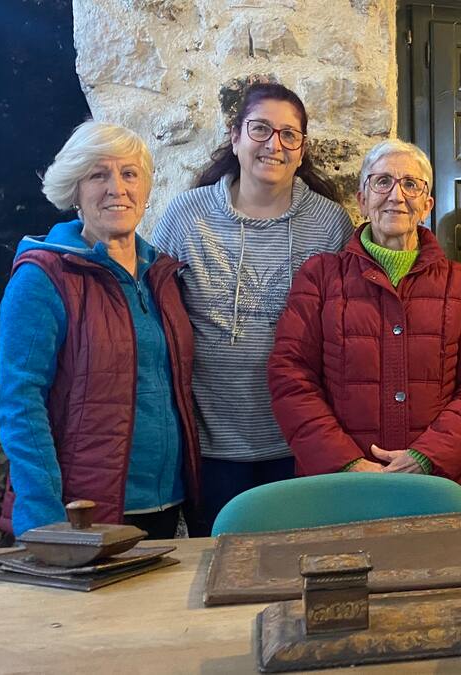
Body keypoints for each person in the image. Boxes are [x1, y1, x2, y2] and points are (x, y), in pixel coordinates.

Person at [152, 83, 354, 534]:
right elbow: (153, 310)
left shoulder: (330, 224)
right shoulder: (187, 215)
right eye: (260, 129)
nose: (273, 145)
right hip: (211, 446)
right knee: (219, 566)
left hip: (298, 442)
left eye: (289, 135)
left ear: (302, 150)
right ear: (235, 135)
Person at [266, 139, 461, 504]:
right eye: (382, 182)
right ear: (362, 199)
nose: (396, 195)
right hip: (340, 489)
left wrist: (427, 457)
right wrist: (348, 463)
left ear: (427, 204)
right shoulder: (319, 277)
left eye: (411, 184)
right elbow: (290, 376)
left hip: (441, 487)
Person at [0, 121, 201, 539]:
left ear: (144, 187)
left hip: (165, 503)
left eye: (129, 174)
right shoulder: (43, 277)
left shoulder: (160, 274)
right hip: (84, 513)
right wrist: (44, 521)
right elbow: (21, 404)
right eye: (97, 174)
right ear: (75, 190)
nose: (116, 188)